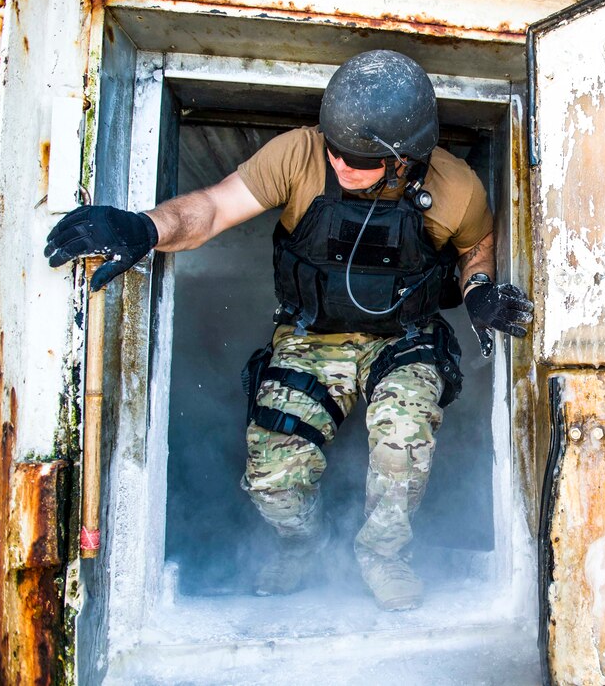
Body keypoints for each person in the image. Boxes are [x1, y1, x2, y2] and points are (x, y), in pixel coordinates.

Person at [43, 50, 533, 611]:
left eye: (363, 159)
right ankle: (305, 546)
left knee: (403, 436)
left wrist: (479, 291)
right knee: (273, 477)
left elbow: (476, 247)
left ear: (406, 160)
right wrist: (145, 228)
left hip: (402, 338)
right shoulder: (298, 155)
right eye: (338, 150)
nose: (343, 165)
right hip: (309, 337)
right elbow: (211, 207)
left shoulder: (455, 187)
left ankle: (383, 554)